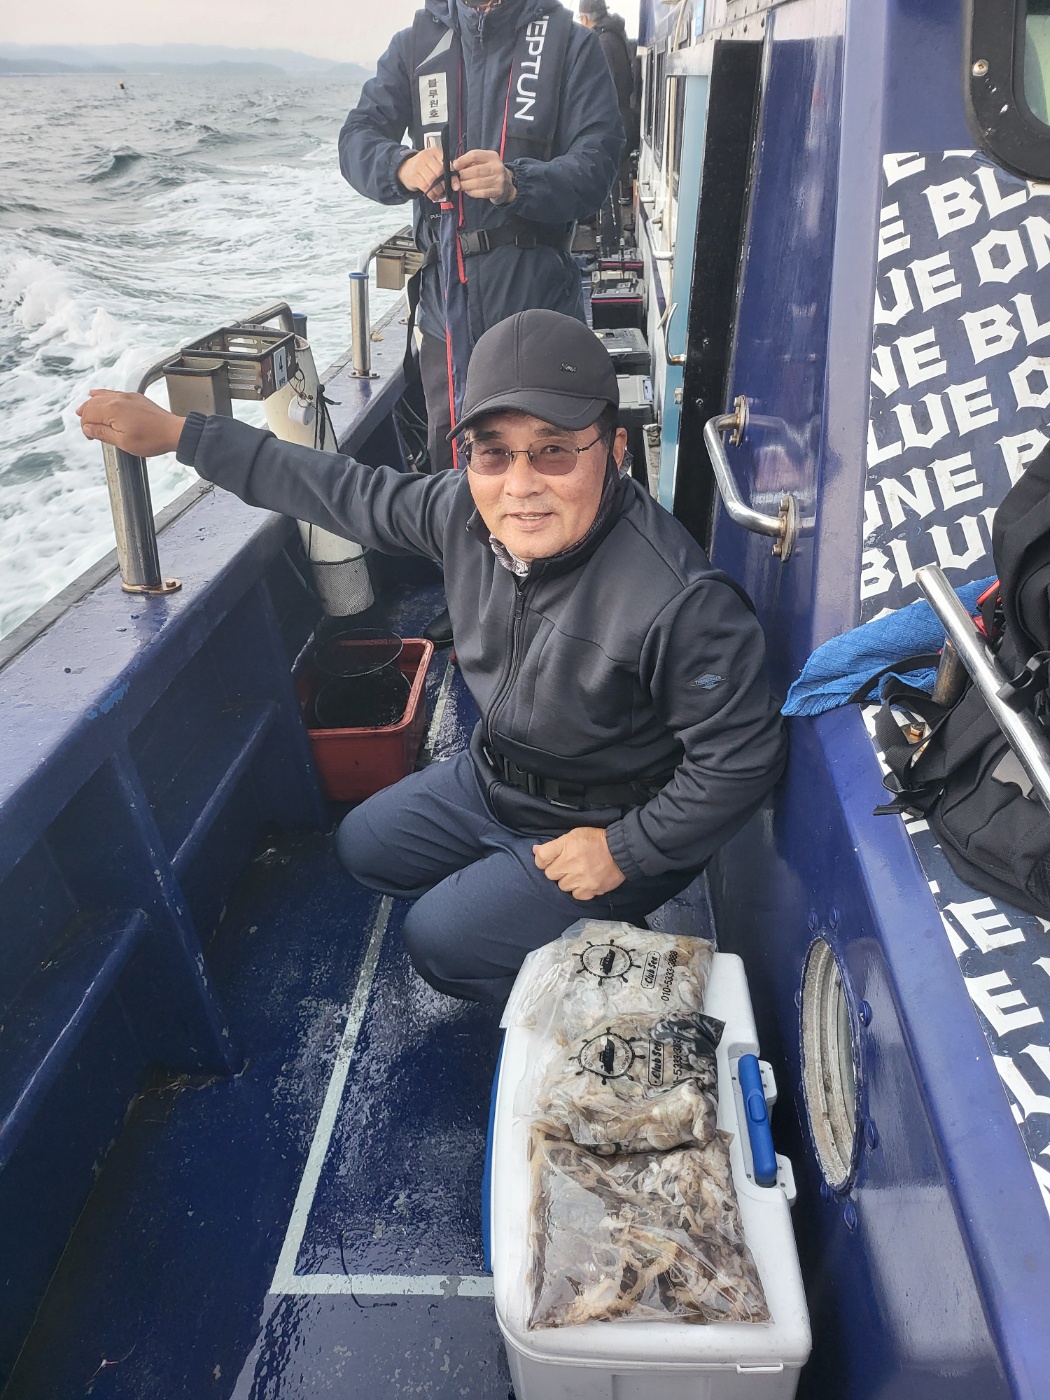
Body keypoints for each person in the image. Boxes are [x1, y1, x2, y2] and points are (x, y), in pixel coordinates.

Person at [76, 310, 787, 1007]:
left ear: (617, 449)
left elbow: (743, 761)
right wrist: (184, 435)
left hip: (602, 816)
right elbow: (341, 490)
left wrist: (623, 850)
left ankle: (603, 973)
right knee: (362, 846)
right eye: (493, 452)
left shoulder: (681, 601)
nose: (520, 485)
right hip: (494, 777)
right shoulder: (461, 513)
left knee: (440, 943)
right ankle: (517, 890)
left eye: (555, 451)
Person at [338, 0, 624, 477]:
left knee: (547, 466)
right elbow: (356, 138)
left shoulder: (573, 44)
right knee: (454, 470)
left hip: (540, 314)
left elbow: (598, 163)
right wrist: (401, 165)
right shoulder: (416, 46)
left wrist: (516, 183)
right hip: (444, 321)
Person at [578, 0, 636, 209]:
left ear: (585, 19)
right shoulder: (614, 36)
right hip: (624, 118)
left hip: (614, 123)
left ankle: (609, 227)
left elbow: (602, 90)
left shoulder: (601, 42)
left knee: (603, 181)